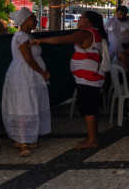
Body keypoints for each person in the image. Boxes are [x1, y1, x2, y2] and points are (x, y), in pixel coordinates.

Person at [33, 11, 106, 149]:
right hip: (91, 77)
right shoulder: (95, 33)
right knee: (90, 107)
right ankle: (92, 137)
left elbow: (62, 39)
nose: (79, 20)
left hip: (88, 78)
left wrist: (42, 40)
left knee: (88, 108)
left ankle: (92, 140)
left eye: (82, 18)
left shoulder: (85, 33)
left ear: (88, 21)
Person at [1, 8, 50, 157]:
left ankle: (28, 138)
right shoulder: (20, 37)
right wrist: (42, 73)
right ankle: (22, 142)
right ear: (24, 21)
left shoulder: (28, 36)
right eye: (33, 18)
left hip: (31, 76)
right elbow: (28, 59)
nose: (36, 21)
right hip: (23, 76)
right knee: (23, 106)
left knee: (31, 104)